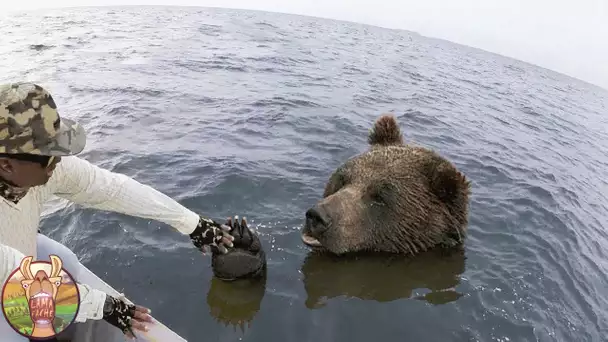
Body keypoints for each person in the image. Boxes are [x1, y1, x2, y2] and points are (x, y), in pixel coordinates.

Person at [0, 82, 241, 341]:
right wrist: (103, 306)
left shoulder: (43, 171)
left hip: (16, 261)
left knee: (65, 262)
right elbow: (11, 271)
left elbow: (112, 189)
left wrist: (193, 224)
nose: (58, 161)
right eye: (50, 155)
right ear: (7, 165)